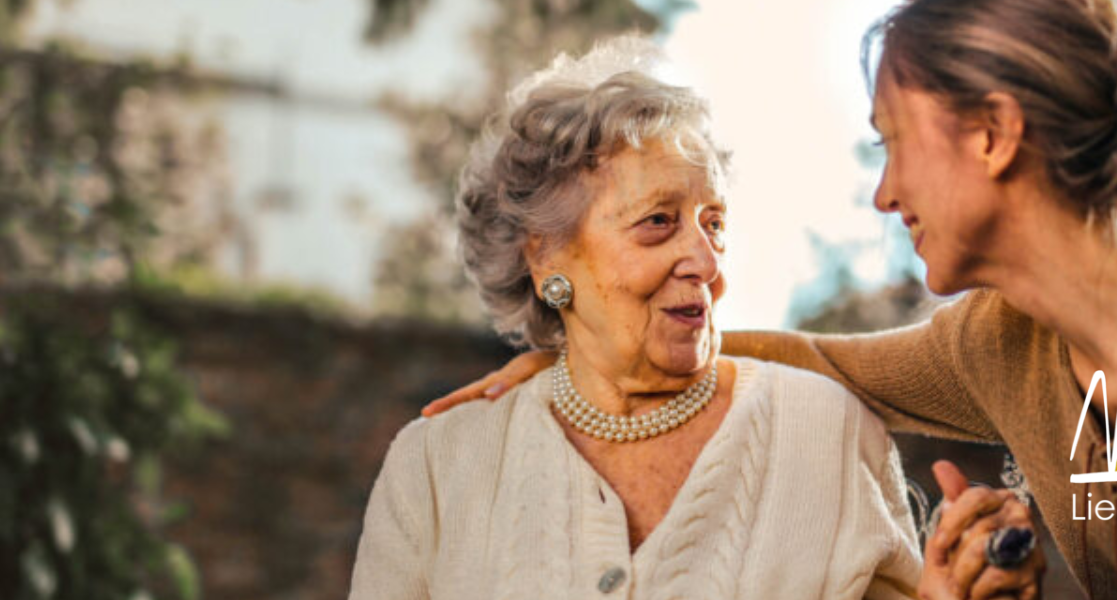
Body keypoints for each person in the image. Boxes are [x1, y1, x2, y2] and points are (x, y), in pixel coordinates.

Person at [421, 1, 1117, 599]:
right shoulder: (1006, 341)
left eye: (892, 140)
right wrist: (585, 350)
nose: (884, 193)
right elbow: (813, 361)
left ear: (993, 135)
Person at [349, 38, 1040, 600]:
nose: (705, 260)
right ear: (546, 257)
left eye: (714, 223)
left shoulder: (824, 432)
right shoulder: (438, 467)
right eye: (658, 223)